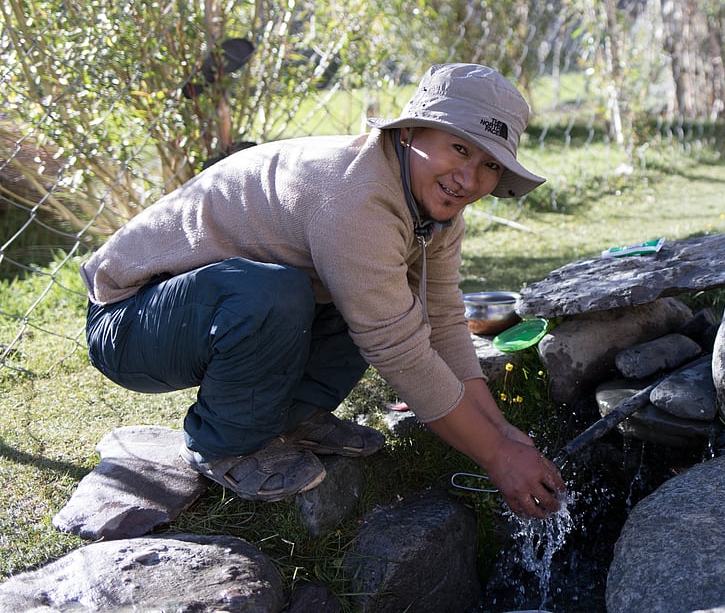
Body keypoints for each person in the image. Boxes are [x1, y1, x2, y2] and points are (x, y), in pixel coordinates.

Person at [81, 63, 566, 518]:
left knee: (369, 297)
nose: (468, 178)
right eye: (459, 148)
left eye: (489, 165)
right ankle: (222, 445)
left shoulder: (433, 206)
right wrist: (496, 456)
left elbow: (439, 319)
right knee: (277, 293)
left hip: (213, 306)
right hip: (132, 319)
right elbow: (399, 352)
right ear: (410, 132)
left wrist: (503, 432)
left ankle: (292, 418)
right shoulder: (355, 199)